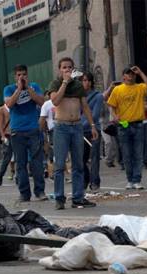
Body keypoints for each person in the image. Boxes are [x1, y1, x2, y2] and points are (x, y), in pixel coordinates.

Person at [49, 57, 98, 210]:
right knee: (60, 165)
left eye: (69, 67)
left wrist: (92, 125)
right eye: (64, 67)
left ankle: (78, 197)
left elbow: (85, 106)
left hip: (77, 127)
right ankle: (59, 198)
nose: (67, 70)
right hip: (61, 127)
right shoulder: (55, 84)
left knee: (78, 164)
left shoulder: (78, 86)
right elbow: (55, 101)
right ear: (60, 70)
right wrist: (64, 82)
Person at [4, 64, 47, 202]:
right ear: (15, 76)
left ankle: (40, 191)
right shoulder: (9, 89)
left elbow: (42, 102)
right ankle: (24, 193)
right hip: (17, 131)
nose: (21, 77)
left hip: (33, 129)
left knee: (37, 163)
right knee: (20, 164)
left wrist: (28, 88)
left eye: (24, 74)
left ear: (27, 75)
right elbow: (9, 104)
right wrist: (19, 89)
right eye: (19, 75)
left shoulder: (34, 86)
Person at [106, 66, 147, 190]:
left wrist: (140, 72)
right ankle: (130, 179)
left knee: (138, 153)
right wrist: (114, 116)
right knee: (127, 154)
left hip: (138, 123)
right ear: (123, 76)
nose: (130, 76)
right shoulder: (118, 90)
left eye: (132, 74)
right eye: (128, 74)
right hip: (124, 124)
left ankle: (137, 180)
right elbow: (111, 105)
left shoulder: (140, 87)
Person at [80, 72, 104, 191]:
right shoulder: (78, 96)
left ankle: (95, 181)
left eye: (88, 80)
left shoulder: (98, 96)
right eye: (84, 80)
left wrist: (81, 124)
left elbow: (94, 115)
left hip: (94, 129)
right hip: (80, 131)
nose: (86, 83)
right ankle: (85, 178)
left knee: (94, 157)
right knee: (81, 158)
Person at [0, 102, 15, 186]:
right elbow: (0, 124)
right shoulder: (2, 110)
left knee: (19, 156)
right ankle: (0, 174)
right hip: (7, 135)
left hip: (17, 134)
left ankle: (18, 177)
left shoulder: (15, 107)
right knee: (7, 157)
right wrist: (3, 136)